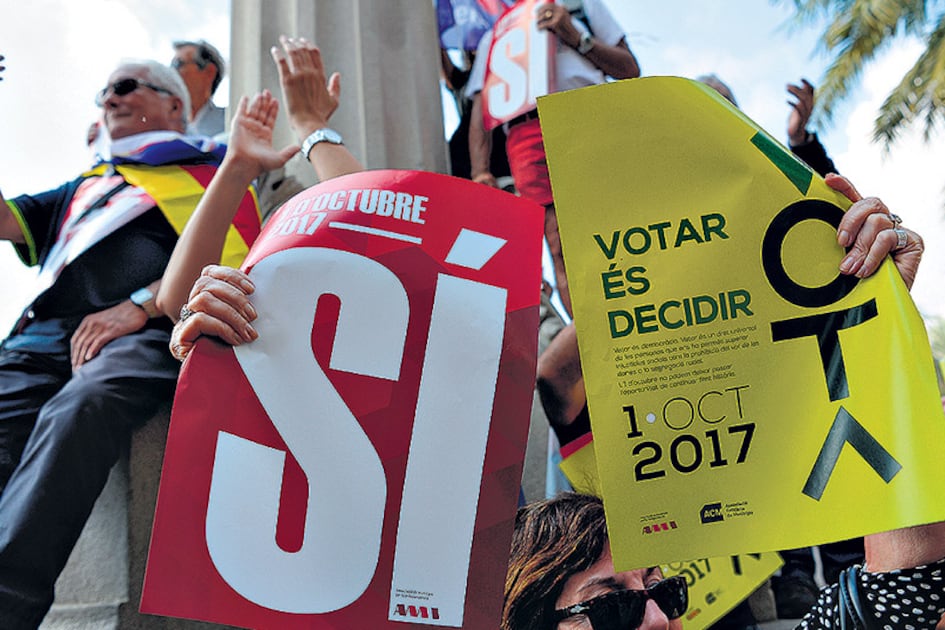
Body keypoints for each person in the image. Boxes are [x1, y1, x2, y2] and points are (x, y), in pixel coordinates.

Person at [532, 174, 937, 629]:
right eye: (610, 610)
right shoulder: (593, 386)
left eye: (666, 590)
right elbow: (555, 378)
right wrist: (670, 264)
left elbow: (904, 588)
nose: (658, 619)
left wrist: (871, 317)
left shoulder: (730, 350)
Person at [0, 58, 258, 629]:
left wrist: (138, 306)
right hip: (39, 336)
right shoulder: (89, 182)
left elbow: (237, 263)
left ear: (173, 106)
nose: (110, 100)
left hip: (147, 331)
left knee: (86, 402)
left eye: (125, 87)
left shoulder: (211, 170)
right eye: (104, 93)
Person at [157, 35, 364, 330]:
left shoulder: (244, 165)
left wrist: (311, 124)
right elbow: (178, 303)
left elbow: (371, 223)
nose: (114, 101)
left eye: (178, 64)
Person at [466, 0, 641, 317]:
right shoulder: (497, 32)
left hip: (587, 118)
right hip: (527, 134)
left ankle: (634, 323)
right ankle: (593, 342)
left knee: (617, 230)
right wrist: (480, 171)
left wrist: (576, 37)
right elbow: (481, 104)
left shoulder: (579, 5)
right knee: (560, 245)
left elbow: (629, 68)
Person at [172, 39, 227, 137]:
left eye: (178, 64)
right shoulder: (167, 126)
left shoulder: (229, 121)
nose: (171, 72)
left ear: (210, 72)